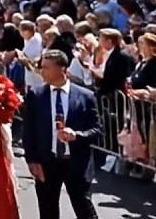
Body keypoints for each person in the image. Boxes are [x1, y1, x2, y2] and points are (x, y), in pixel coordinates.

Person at [23, 49, 100, 219]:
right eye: (41, 67)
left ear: (62, 69)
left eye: (46, 68)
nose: (42, 71)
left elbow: (96, 130)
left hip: (76, 163)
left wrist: (77, 135)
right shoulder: (36, 95)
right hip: (47, 162)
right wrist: (31, 160)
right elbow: (29, 130)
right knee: (47, 210)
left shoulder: (85, 96)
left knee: (84, 208)